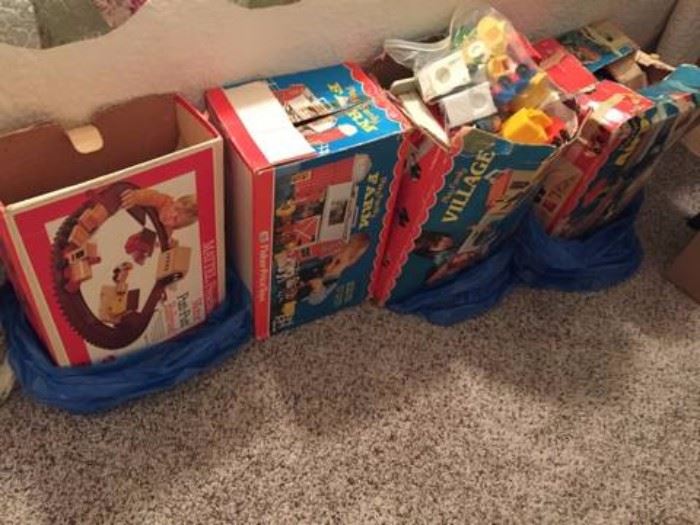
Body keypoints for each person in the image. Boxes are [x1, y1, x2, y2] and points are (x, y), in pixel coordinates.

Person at [295, 233, 371, 305]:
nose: (329, 266)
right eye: (330, 259)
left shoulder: (332, 281)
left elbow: (315, 301)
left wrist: (318, 289)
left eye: (337, 262)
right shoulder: (320, 262)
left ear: (350, 262)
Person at [121, 189, 198, 238]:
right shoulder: (164, 201)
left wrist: (160, 243)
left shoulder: (168, 230)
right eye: (175, 208)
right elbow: (151, 196)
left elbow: (164, 239)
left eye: (175, 219)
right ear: (174, 202)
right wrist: (136, 197)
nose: (170, 215)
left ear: (176, 227)